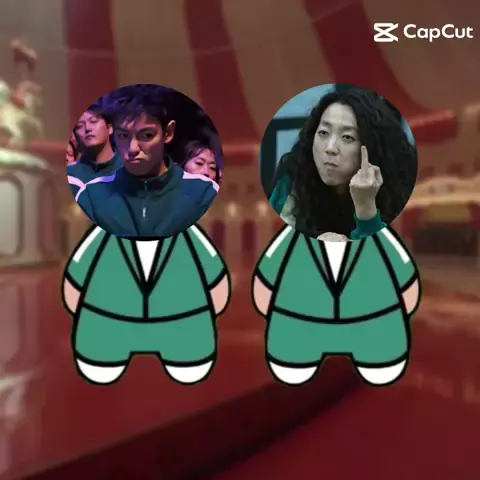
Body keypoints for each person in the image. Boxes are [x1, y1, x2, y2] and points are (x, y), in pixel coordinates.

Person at [251, 224, 421, 387]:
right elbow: (406, 278)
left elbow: (265, 280)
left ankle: (379, 354)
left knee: (381, 363)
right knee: (292, 363)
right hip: (306, 322)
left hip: (368, 322)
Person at [62, 223, 231, 385]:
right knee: (101, 361)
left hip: (118, 320)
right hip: (166, 321)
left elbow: (76, 277)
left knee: (189, 363)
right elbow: (215, 278)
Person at [269, 85, 417, 240]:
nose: (330, 148)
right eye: (323, 133)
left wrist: (366, 208)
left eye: (347, 137)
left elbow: (389, 253)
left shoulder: (401, 191)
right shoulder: (295, 174)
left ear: (372, 146)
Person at [77, 84, 219, 238]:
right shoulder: (92, 196)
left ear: (168, 133)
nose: (132, 148)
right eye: (123, 136)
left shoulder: (203, 192)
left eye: (147, 135)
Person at [66, 103, 122, 201]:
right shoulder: (71, 176)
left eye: (93, 121)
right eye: (79, 126)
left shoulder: (128, 168)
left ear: (110, 128)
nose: (87, 128)